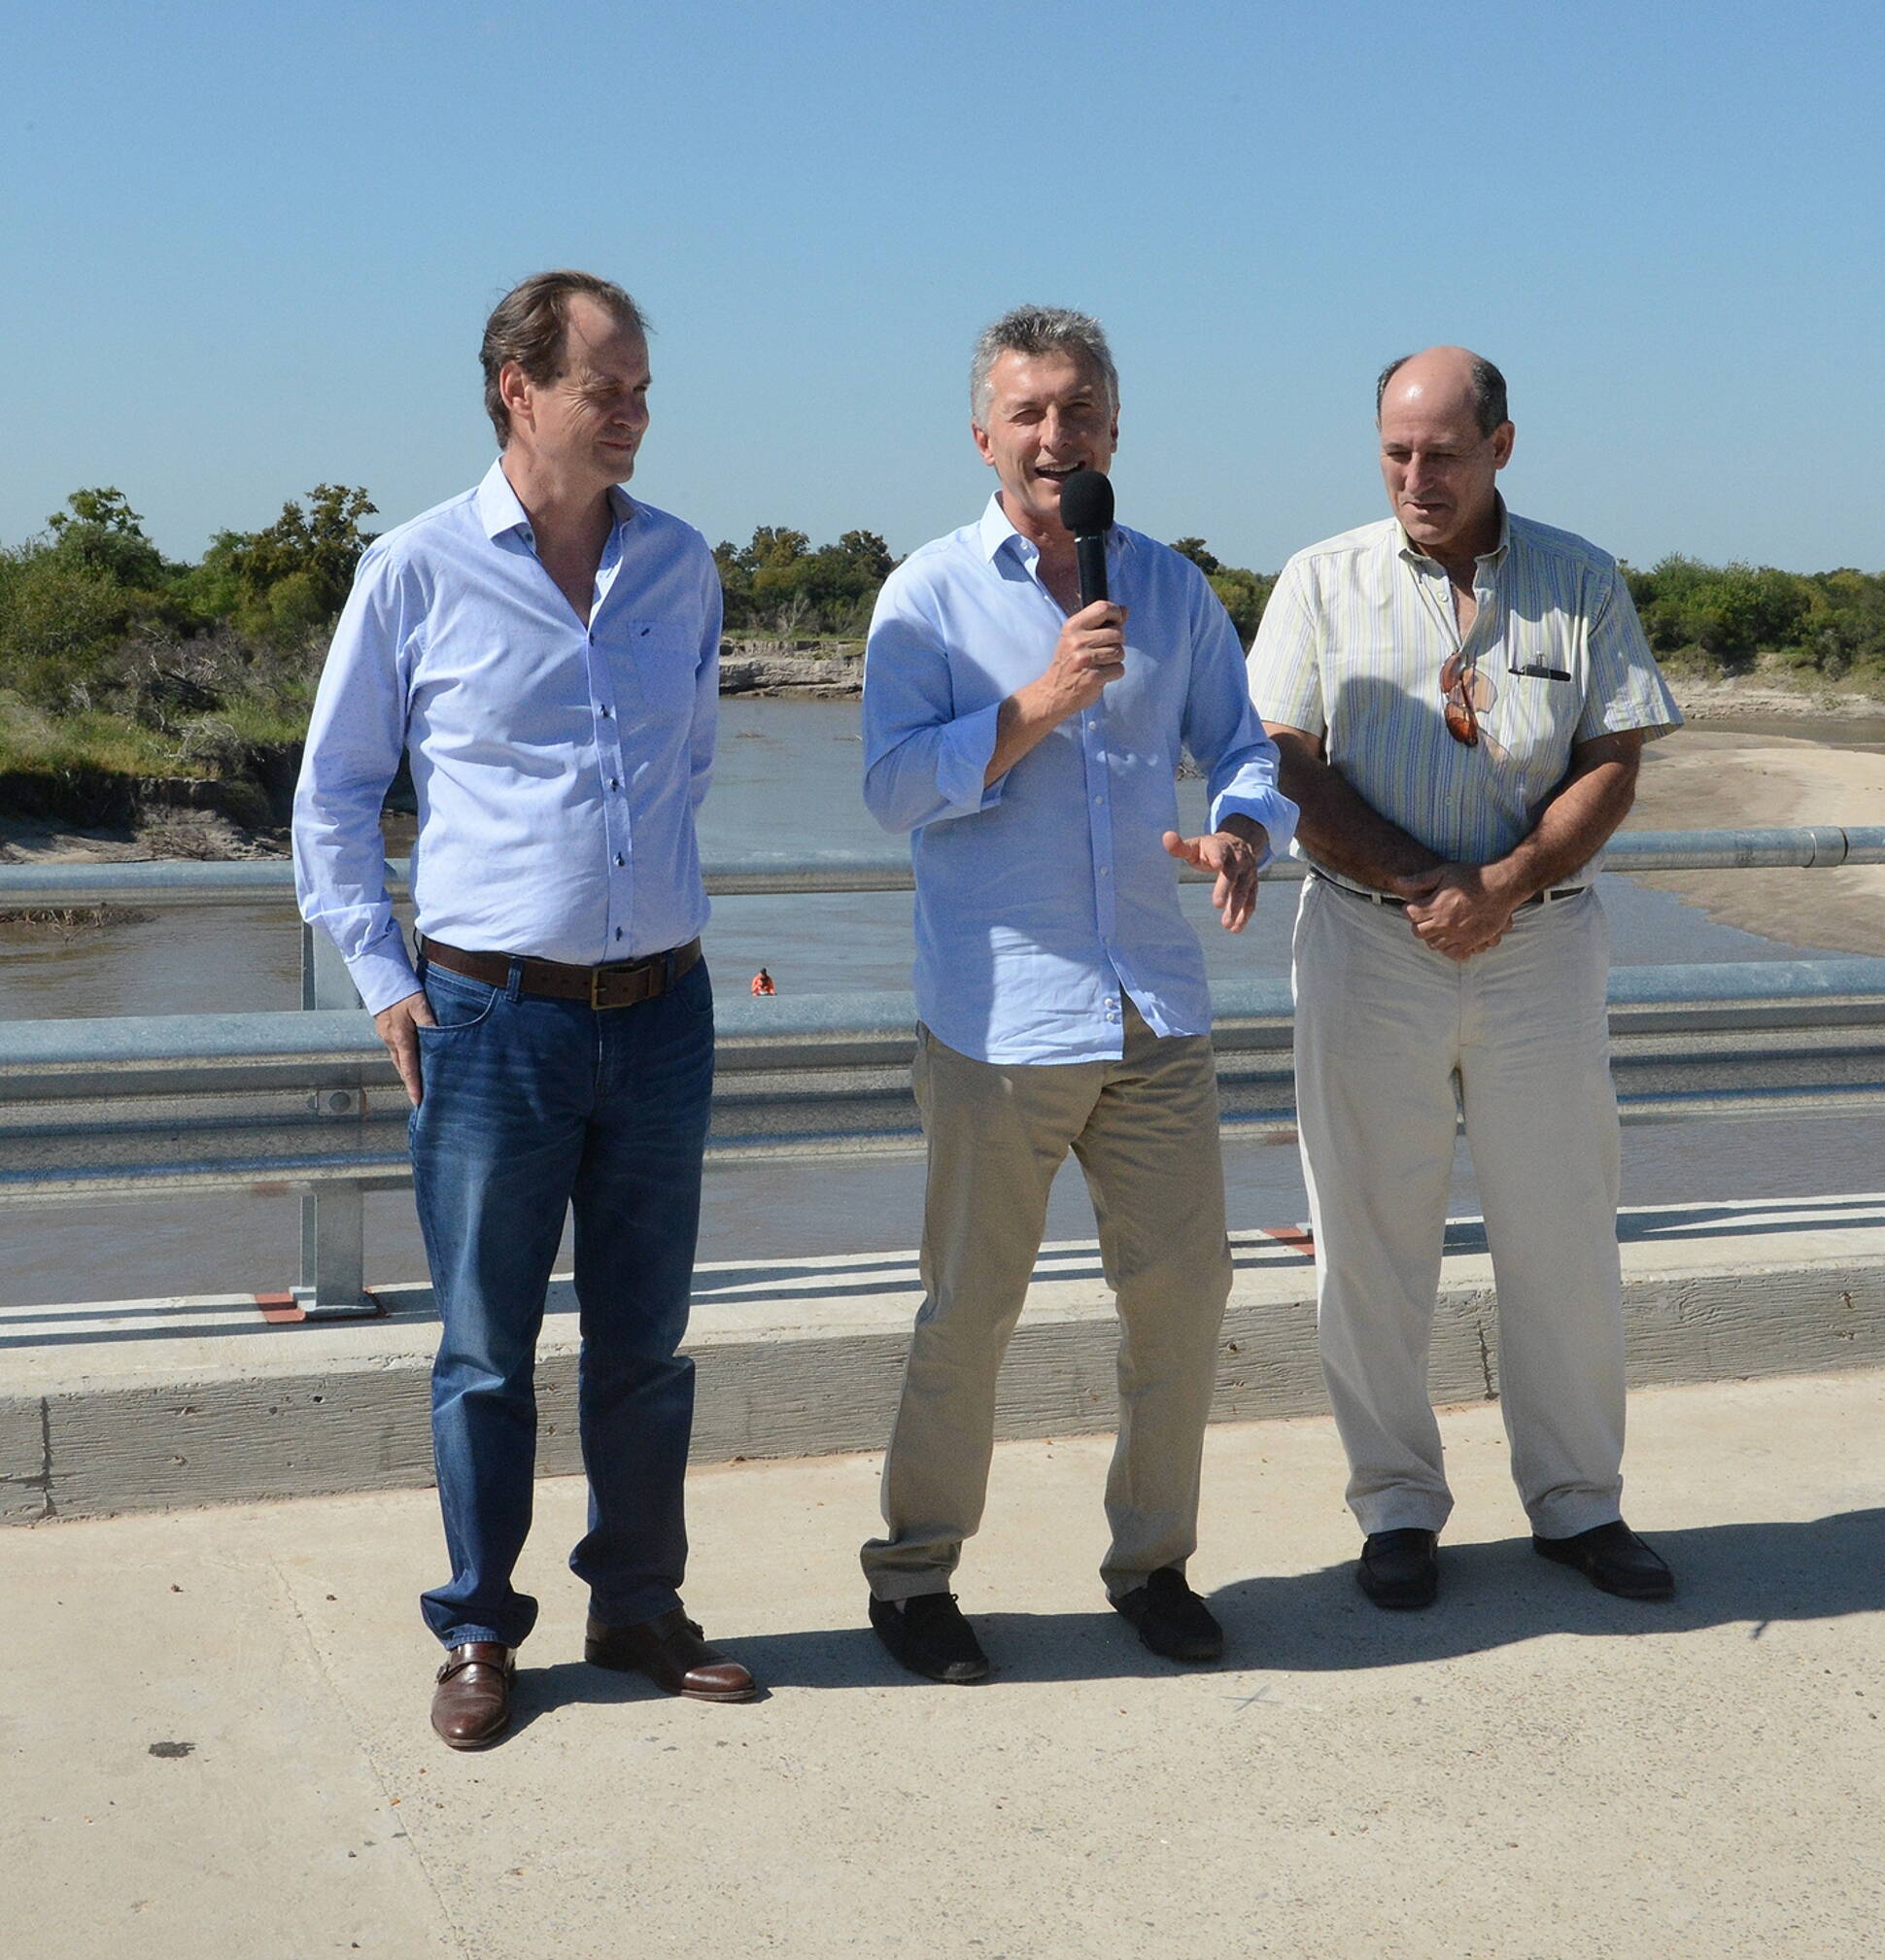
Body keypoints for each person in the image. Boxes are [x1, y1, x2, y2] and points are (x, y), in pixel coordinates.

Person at [293, 270, 756, 1749]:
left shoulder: (681, 565)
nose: (632, 413)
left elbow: (685, 769)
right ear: (519, 388)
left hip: (663, 1013)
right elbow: (333, 802)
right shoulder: (416, 568)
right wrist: (386, 977)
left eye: (641, 389)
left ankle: (637, 1604)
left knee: (647, 1342)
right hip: (491, 1021)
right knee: (486, 1348)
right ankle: (481, 1629)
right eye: (604, 386)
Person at [858, 304, 1298, 1681]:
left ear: (1116, 429)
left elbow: (1246, 750)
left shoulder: (1169, 589)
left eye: (1082, 411)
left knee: (1183, 1299)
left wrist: (1241, 831)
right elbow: (888, 787)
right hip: (997, 1025)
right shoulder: (927, 594)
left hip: (1153, 1011)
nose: (1058, 436)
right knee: (969, 1311)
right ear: (983, 431)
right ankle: (915, 1576)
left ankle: (1152, 1561)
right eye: (1030, 411)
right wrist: (1036, 704)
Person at [1250, 345, 1682, 1610]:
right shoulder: (1318, 582)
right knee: (1368, 1240)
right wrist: (1420, 882)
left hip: (1540, 944)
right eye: (1395, 450)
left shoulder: (1580, 579)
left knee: (1561, 1229)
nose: (1415, 475)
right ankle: (1395, 1509)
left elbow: (1613, 757)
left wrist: (1501, 883)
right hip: (1364, 943)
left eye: (1441, 450)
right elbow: (1285, 759)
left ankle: (1579, 1504)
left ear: (1501, 445)